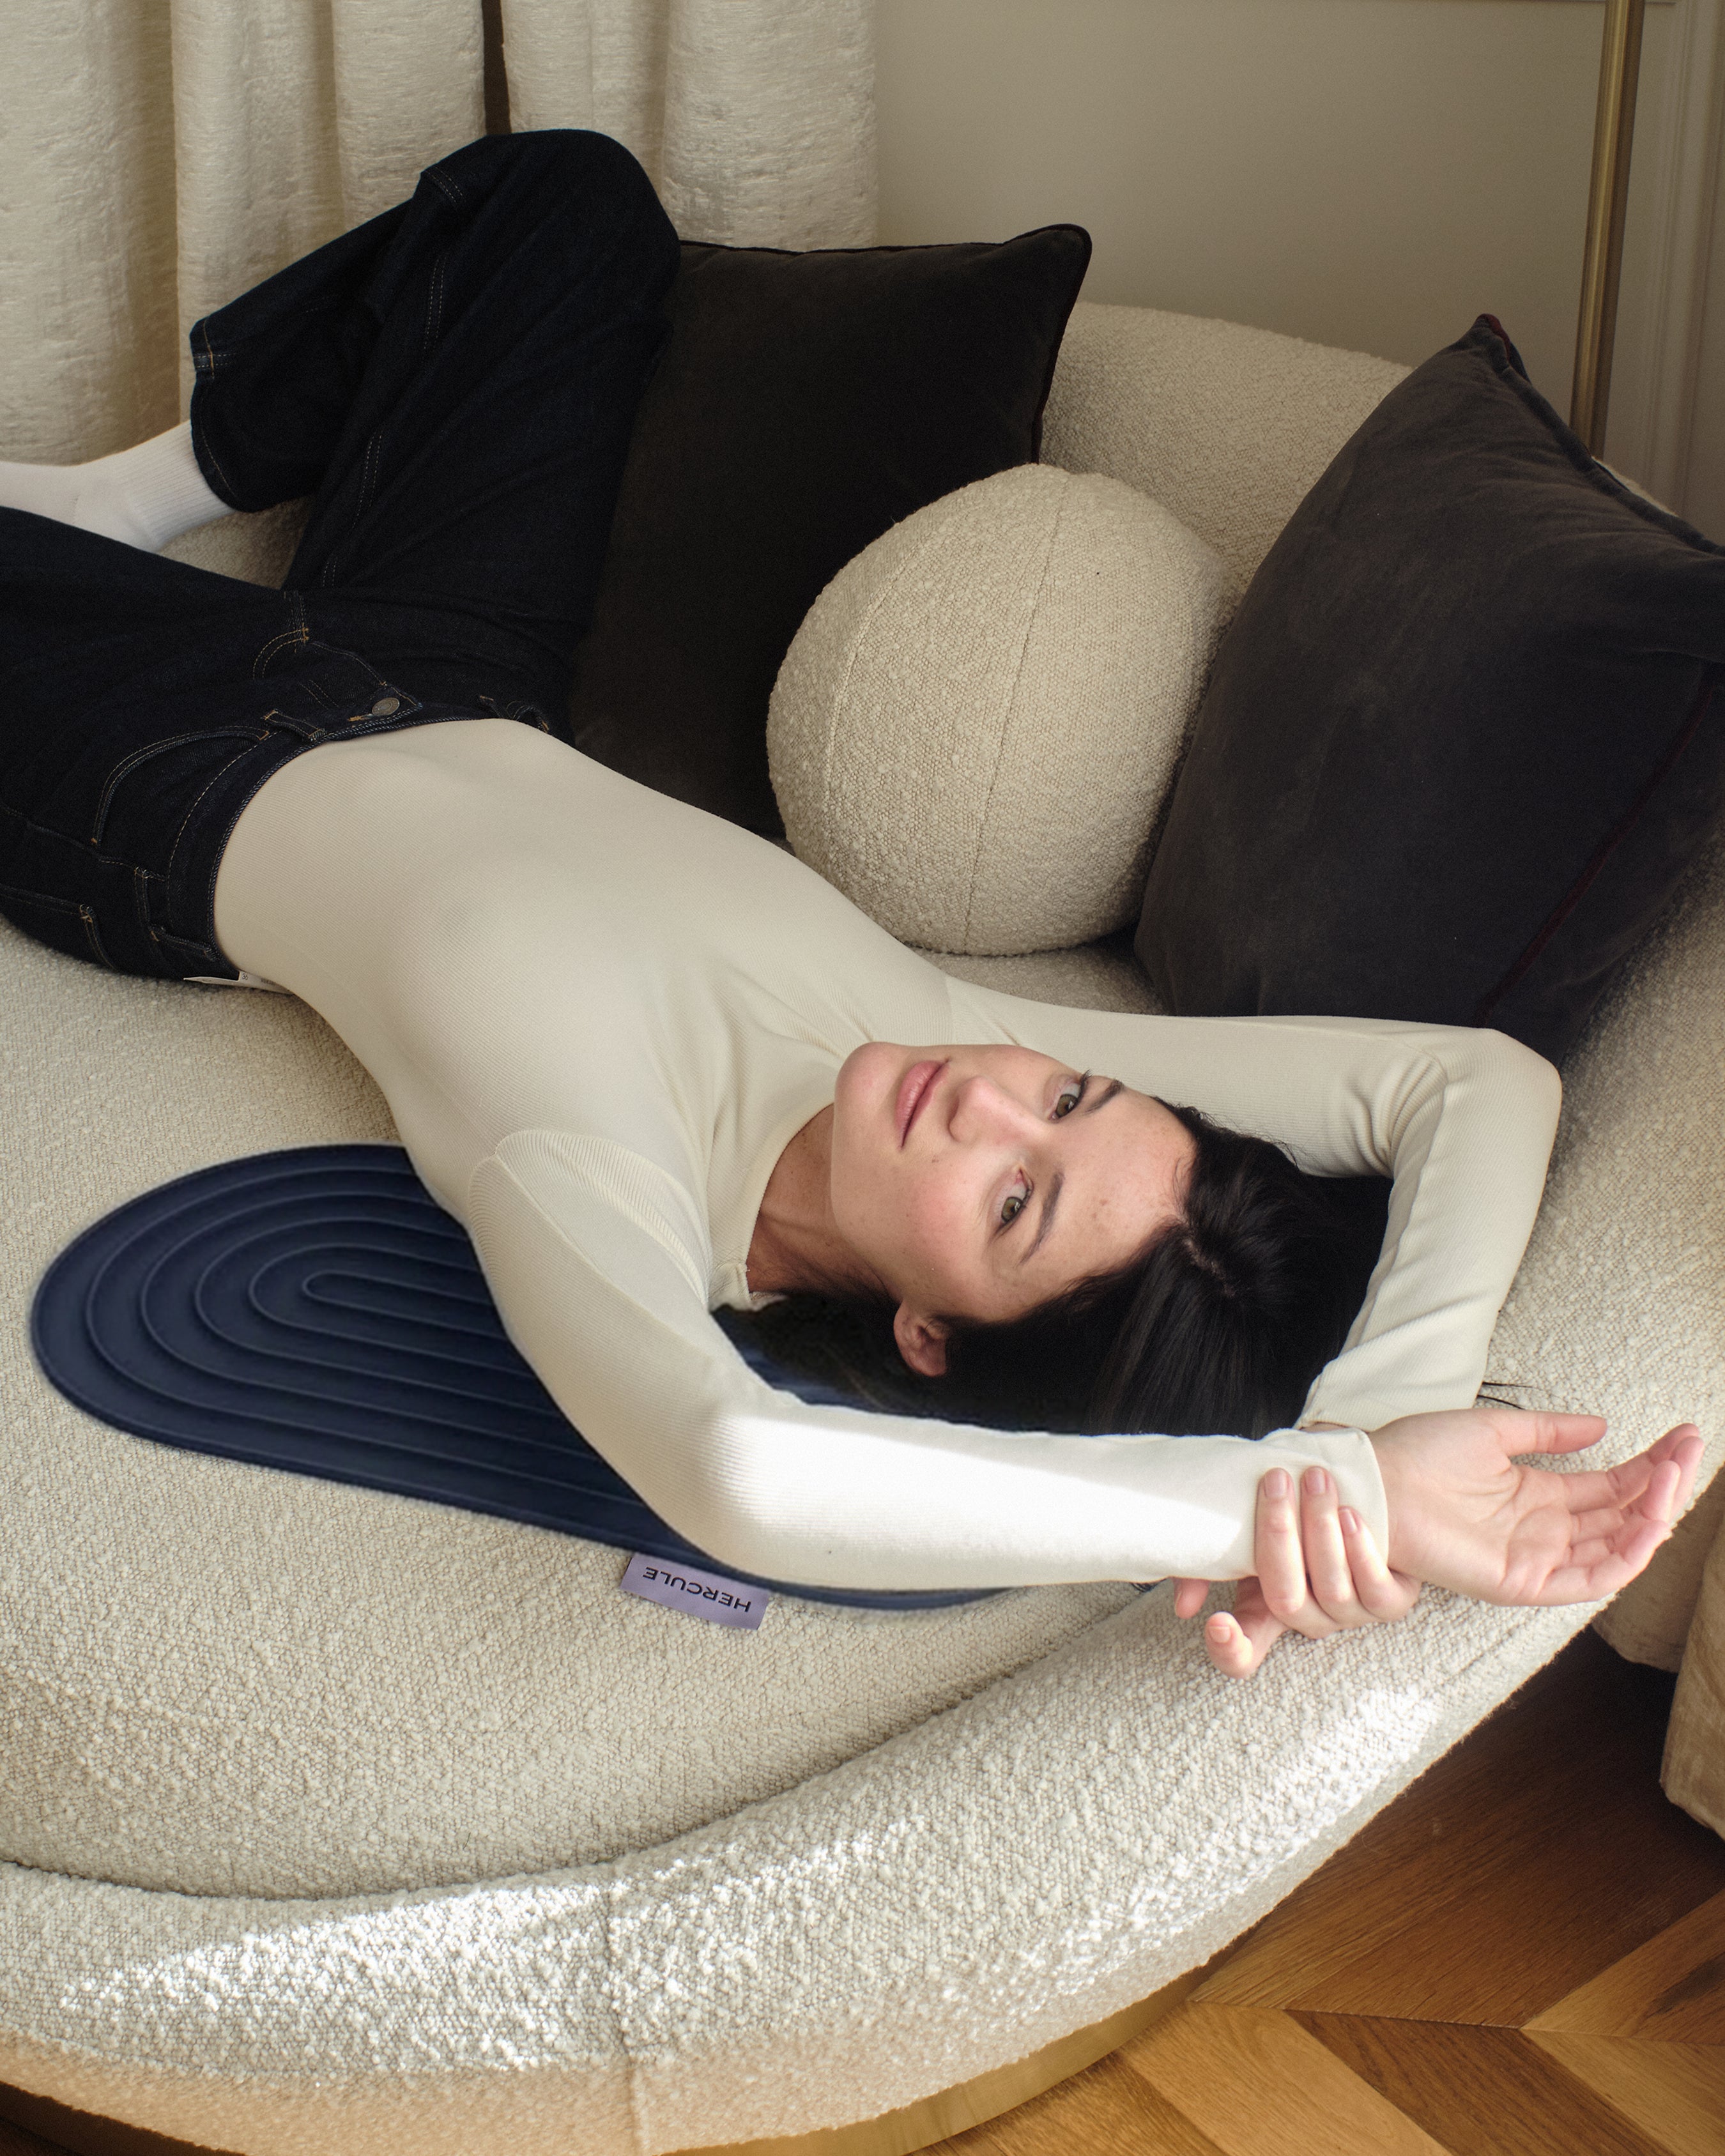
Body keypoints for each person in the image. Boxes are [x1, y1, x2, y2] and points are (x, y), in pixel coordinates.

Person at [0, 131, 1700, 1680]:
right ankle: (108, 505)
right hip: (445, 674)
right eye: (1072, 1093)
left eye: (1013, 1203)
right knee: (565, 198)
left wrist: (1288, 1509)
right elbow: (1475, 1083)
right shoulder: (959, 1036)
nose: (991, 1103)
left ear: (926, 1337)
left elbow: (739, 1472)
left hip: (159, 775)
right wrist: (1376, 1427)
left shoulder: (602, 1174)